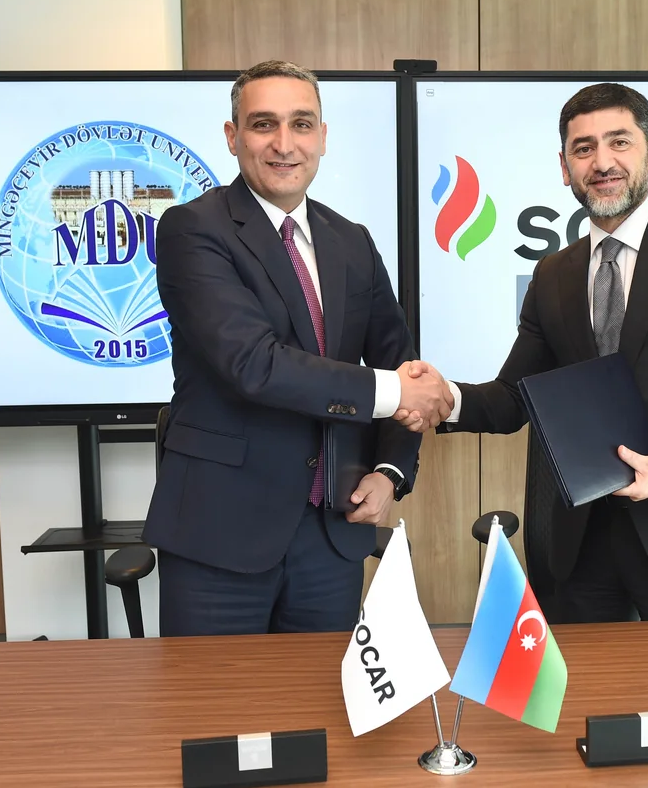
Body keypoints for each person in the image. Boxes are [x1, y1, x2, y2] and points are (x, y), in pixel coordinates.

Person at [401, 83, 648, 622]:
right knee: (581, 681)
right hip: (577, 548)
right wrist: (446, 398)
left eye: (619, 142)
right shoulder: (554, 273)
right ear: (565, 167)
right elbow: (516, 397)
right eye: (583, 148)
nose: (602, 162)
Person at [144, 60, 452, 636]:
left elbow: (398, 363)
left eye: (301, 124)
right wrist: (397, 391)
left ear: (323, 137)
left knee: (320, 693)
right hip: (220, 532)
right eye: (264, 124)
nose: (284, 144)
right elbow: (253, 365)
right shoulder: (192, 230)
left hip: (332, 534)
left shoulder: (352, 241)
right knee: (214, 693)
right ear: (233, 136)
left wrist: (390, 471)